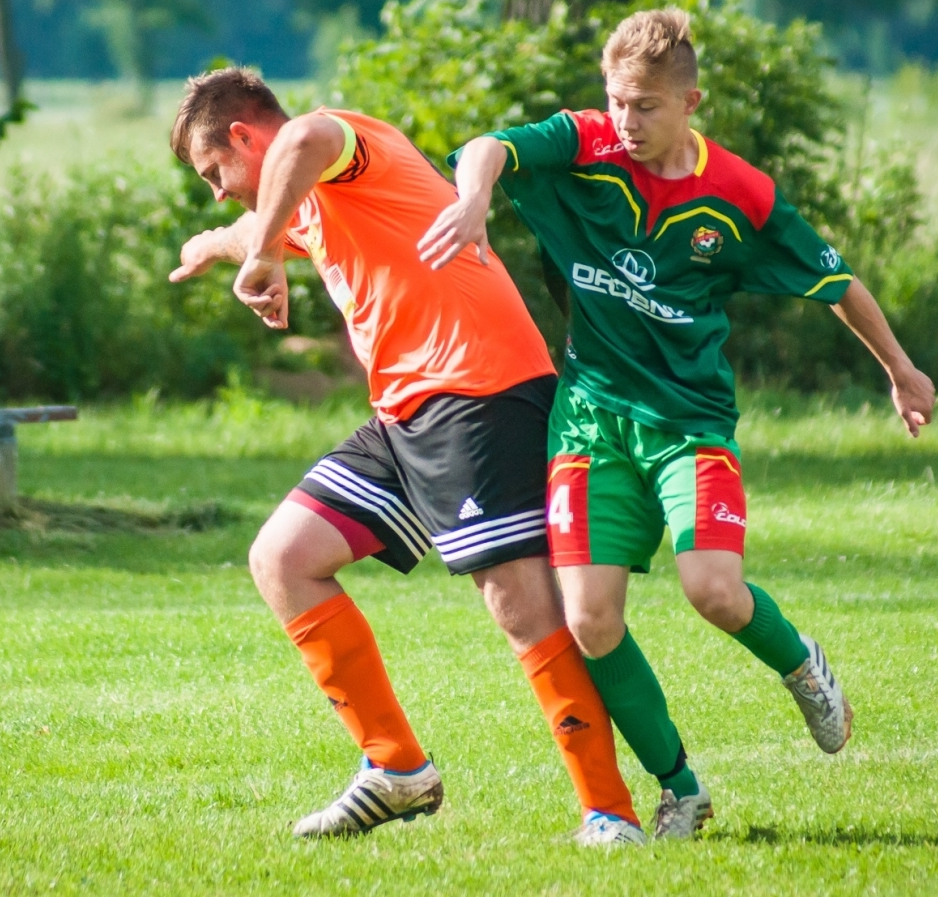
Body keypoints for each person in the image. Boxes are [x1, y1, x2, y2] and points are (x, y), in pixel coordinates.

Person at [421, 9, 936, 834]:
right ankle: (681, 788)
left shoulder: (738, 194)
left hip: (690, 425)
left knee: (714, 591)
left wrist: (900, 370)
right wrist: (475, 197)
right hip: (589, 422)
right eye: (617, 100)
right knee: (590, 622)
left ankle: (801, 665)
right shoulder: (585, 144)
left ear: (690, 102)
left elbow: (835, 280)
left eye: (646, 106)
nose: (626, 120)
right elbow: (488, 147)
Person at [168, 67, 677, 844]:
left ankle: (611, 813)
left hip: (481, 392)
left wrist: (262, 249)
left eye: (215, 173)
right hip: (406, 414)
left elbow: (303, 140)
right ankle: (396, 768)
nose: (218, 192)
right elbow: (263, 227)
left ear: (244, 135)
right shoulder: (310, 200)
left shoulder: (343, 143)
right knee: (283, 558)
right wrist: (222, 244)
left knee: (523, 609)